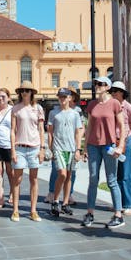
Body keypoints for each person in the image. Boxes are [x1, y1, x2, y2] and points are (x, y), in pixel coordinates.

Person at [82, 76, 126, 229]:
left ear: (108, 87)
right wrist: (85, 147)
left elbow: (122, 125)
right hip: (94, 145)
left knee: (111, 181)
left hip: (109, 146)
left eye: (101, 84)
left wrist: (120, 146)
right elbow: (88, 128)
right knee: (93, 179)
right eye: (96, 84)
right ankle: (90, 213)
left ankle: (118, 214)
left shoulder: (114, 103)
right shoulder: (92, 104)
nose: (97, 86)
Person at [9, 80, 45, 222]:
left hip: (34, 148)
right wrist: (12, 150)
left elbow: (42, 130)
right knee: (17, 179)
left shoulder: (38, 108)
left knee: (33, 179)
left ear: (32, 93)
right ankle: (15, 210)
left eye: (27, 90)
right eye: (22, 90)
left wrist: (42, 148)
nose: (25, 93)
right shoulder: (15, 109)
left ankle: (33, 210)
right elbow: (12, 130)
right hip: (19, 147)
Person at [47, 88, 83, 217]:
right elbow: (50, 132)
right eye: (60, 97)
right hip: (58, 148)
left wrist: (78, 149)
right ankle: (56, 200)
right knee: (61, 174)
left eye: (64, 97)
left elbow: (78, 132)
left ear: (69, 98)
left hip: (71, 148)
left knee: (68, 176)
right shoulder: (53, 113)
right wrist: (50, 148)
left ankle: (65, 203)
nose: (62, 99)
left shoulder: (75, 114)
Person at [110, 80, 131, 215]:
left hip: (126, 140)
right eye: (112, 91)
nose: (113, 93)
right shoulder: (111, 106)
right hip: (114, 141)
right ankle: (118, 203)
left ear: (122, 93)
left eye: (115, 91)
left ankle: (130, 204)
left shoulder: (128, 107)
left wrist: (128, 135)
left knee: (126, 172)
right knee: (115, 174)